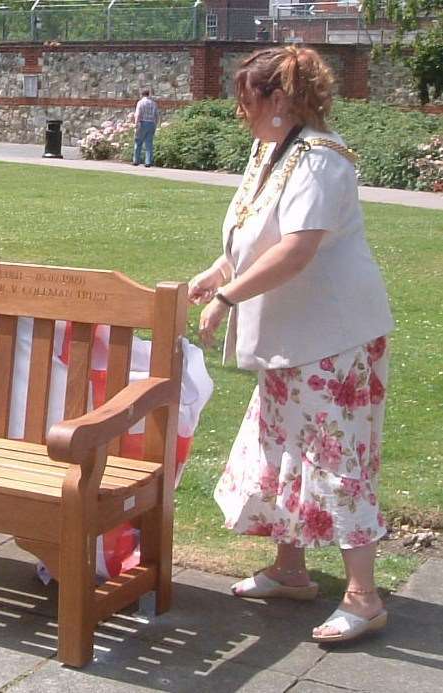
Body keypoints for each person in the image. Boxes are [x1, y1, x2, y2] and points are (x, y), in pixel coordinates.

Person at [188, 46, 394, 644]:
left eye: (247, 100)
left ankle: (365, 597)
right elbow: (257, 234)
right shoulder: (272, 152)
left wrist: (226, 301)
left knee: (333, 459)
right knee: (281, 447)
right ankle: (290, 568)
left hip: (332, 338)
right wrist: (217, 272)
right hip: (294, 337)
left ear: (280, 100)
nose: (239, 111)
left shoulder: (321, 162)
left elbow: (296, 250)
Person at [132, 89, 159, 167]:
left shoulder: (140, 103)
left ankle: (136, 160)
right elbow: (156, 115)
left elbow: (138, 114)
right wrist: (155, 124)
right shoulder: (153, 103)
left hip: (142, 123)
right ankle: (148, 162)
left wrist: (136, 124)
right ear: (148, 94)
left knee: (138, 142)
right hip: (151, 123)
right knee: (149, 143)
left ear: (142, 94)